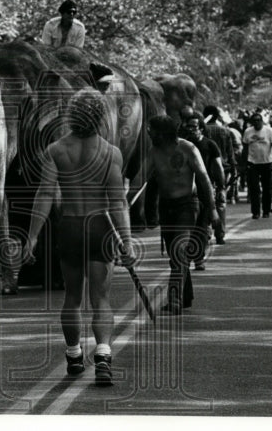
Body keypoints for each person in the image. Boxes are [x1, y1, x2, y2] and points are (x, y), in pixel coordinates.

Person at [23, 89, 134, 385]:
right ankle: (103, 356)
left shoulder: (56, 150)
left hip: (70, 228)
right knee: (101, 298)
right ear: (100, 117)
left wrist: (32, 236)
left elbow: (45, 193)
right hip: (99, 229)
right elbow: (117, 202)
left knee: (72, 298)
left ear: (72, 115)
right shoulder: (111, 152)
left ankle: (74, 355)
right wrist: (126, 239)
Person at [145, 115, 214, 314]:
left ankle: (174, 298)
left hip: (187, 205)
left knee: (180, 251)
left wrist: (213, 210)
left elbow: (204, 179)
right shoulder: (153, 152)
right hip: (166, 208)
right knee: (176, 256)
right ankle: (185, 297)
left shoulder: (188, 149)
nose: (149, 133)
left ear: (163, 134)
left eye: (152, 131)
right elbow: (139, 180)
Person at [182, 112, 225, 266]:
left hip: (205, 190)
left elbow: (218, 167)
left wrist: (221, 187)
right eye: (188, 126)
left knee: (201, 224)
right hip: (186, 192)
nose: (190, 129)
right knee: (188, 226)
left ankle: (198, 258)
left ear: (201, 128)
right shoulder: (182, 145)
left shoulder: (210, 145)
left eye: (194, 126)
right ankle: (188, 255)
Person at [242, 113, 272, 219]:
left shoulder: (269, 131)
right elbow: (245, 148)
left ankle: (266, 211)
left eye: (259, 120)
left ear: (262, 121)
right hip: (252, 163)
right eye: (254, 120)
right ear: (252, 122)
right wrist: (243, 164)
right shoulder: (248, 132)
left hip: (266, 163)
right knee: (254, 188)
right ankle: (255, 212)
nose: (257, 122)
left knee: (267, 188)